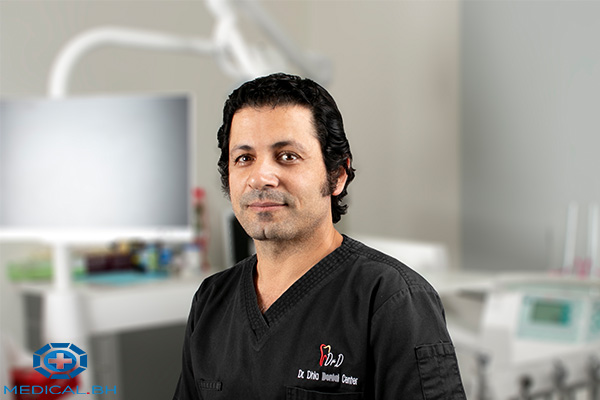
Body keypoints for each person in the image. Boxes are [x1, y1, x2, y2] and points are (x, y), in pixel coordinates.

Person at [173, 73, 466, 400]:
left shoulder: (393, 300)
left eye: (287, 156)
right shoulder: (211, 300)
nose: (261, 177)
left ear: (337, 175)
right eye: (244, 158)